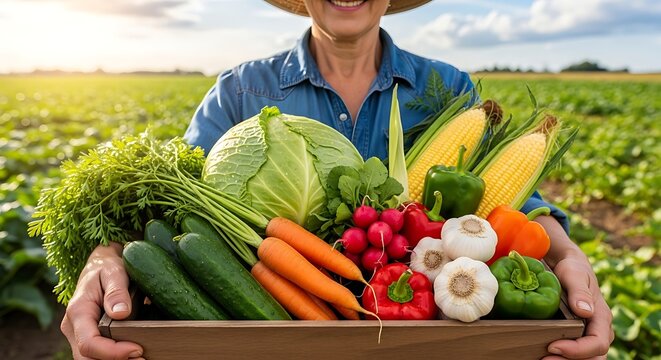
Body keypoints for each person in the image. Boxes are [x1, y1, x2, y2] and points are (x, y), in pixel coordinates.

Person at [60, 1, 614, 359]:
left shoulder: (446, 88)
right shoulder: (239, 92)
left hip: (427, 333)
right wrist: (104, 256)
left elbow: (512, 203)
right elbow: (164, 199)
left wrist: (566, 255)